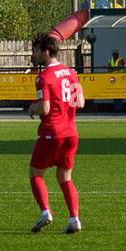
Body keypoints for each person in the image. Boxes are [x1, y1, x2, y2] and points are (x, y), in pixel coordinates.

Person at [28, 34, 85, 235]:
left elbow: (44, 108)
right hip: (71, 133)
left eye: (35, 51)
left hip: (52, 132)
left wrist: (32, 108)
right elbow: (80, 102)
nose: (34, 55)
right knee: (65, 176)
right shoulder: (71, 72)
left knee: (35, 173)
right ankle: (74, 218)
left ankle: (45, 211)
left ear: (45, 51)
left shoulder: (43, 78)